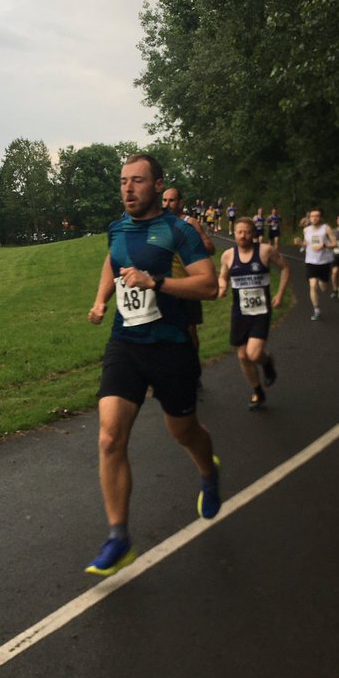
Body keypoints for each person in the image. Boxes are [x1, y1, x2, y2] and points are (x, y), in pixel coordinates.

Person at [85, 154, 221, 577]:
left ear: (158, 185)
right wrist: (101, 299)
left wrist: (156, 282)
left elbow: (210, 285)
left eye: (137, 181)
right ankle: (118, 536)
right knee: (109, 438)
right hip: (126, 343)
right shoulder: (117, 227)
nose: (127, 189)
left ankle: (208, 471)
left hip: (171, 346)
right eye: (123, 181)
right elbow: (113, 259)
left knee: (182, 431)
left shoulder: (179, 231)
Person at [218, 217, 290, 409]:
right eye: (240, 232)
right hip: (239, 312)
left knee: (253, 353)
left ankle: (266, 362)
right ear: (234, 233)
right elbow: (223, 276)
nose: (243, 235)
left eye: (247, 232)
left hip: (260, 311)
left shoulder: (265, 251)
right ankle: (258, 392)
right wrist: (223, 287)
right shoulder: (227, 255)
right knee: (242, 356)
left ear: (254, 233)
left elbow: (284, 268)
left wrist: (280, 294)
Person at [161, 185, 216, 376]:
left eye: (172, 200)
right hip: (166, 288)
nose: (167, 204)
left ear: (181, 202)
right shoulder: (159, 223)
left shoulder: (189, 222)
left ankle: (194, 370)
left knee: (190, 331)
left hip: (188, 287)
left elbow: (210, 248)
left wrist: (190, 242)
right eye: (164, 200)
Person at [295, 209, 336, 320]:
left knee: (323, 287)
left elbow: (334, 243)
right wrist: (300, 243)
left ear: (320, 217)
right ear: (309, 218)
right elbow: (306, 244)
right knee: (312, 285)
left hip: (324, 262)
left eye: (317, 216)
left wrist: (324, 246)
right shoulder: (306, 230)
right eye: (312, 216)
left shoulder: (326, 228)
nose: (314, 218)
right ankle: (316, 309)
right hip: (310, 261)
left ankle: (322, 281)